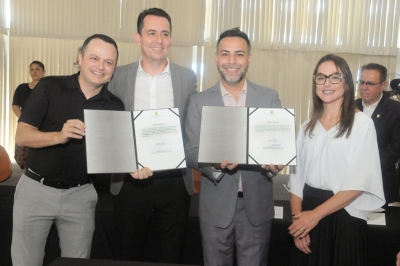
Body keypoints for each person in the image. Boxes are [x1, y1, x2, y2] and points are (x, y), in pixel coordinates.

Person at [11, 34, 124, 266]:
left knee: (76, 263)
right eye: (94, 58)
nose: (100, 66)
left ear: (114, 68)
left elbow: (116, 156)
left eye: (108, 62)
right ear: (80, 58)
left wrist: (135, 165)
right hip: (35, 191)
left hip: (81, 196)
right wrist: (59, 136)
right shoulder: (50, 87)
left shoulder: (115, 106)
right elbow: (22, 135)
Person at [185, 27, 282, 266]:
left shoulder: (269, 98)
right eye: (225, 54)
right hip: (215, 208)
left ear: (249, 58)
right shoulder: (199, 101)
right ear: (216, 58)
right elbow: (190, 152)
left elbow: (277, 148)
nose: (232, 61)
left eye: (239, 54)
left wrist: (274, 165)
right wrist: (214, 164)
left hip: (256, 207)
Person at [108, 8, 197, 263]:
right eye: (152, 33)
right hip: (129, 181)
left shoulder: (187, 77)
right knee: (128, 254)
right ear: (138, 38)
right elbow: (111, 127)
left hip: (174, 182)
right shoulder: (118, 76)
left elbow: (191, 127)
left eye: (165, 33)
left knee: (170, 255)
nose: (159, 40)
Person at [288, 54, 385, 266]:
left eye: (335, 77)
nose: (327, 83)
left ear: (347, 82)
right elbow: (296, 179)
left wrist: (314, 216)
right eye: (321, 77)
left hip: (344, 215)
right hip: (308, 212)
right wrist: (299, 225)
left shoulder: (361, 124)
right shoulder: (306, 126)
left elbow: (358, 183)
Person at [355, 63, 400, 205]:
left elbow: (395, 150)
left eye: (370, 83)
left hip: (382, 185)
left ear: (383, 85)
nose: (364, 87)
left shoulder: (396, 110)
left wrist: (362, 164)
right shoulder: (350, 107)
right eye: (361, 82)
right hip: (349, 185)